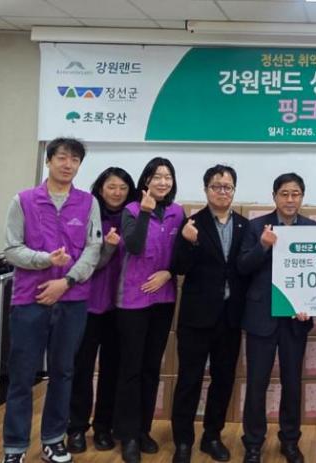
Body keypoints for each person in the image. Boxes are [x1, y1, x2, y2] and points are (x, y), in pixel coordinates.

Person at [2, 137, 102, 463]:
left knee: (63, 372)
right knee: (22, 375)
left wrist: (67, 281)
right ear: (48, 161)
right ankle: (15, 446)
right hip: (29, 299)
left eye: (74, 159)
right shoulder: (24, 200)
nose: (68, 164)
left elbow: (93, 249)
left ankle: (53, 440)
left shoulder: (88, 203)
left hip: (72, 300)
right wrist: (45, 260)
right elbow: (11, 249)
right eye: (61, 157)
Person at [170, 165, 249, 463]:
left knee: (223, 379)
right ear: (206, 190)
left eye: (227, 187)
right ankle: (183, 441)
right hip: (196, 318)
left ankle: (212, 436)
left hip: (230, 318)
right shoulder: (192, 223)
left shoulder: (244, 226)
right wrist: (188, 242)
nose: (222, 192)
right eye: (216, 186)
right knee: (189, 380)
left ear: (234, 191)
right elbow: (179, 267)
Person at [238, 173, 316, 463]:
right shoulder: (256, 226)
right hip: (261, 316)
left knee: (292, 383)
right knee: (256, 383)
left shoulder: (313, 229)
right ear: (274, 196)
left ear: (302, 197)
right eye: (284, 193)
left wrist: (310, 303)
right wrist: (263, 246)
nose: (290, 199)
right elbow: (242, 267)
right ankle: (253, 443)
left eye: (295, 193)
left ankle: (290, 440)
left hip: (295, 319)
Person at [112, 157, 184, 463]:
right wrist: (144, 212)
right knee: (131, 368)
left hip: (163, 298)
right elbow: (134, 246)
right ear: (146, 181)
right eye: (157, 176)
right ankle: (127, 434)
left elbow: (182, 254)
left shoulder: (178, 212)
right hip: (133, 299)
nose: (163, 182)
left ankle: (143, 429)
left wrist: (169, 272)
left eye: (168, 177)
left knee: (151, 367)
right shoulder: (131, 209)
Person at [66, 167, 136, 454]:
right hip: (88, 303)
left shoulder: (133, 218)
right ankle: (76, 427)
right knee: (82, 368)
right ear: (100, 188)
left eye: (122, 188)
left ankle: (104, 427)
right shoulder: (88, 215)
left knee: (112, 369)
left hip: (121, 306)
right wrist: (106, 248)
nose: (117, 193)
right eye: (111, 187)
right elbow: (84, 261)